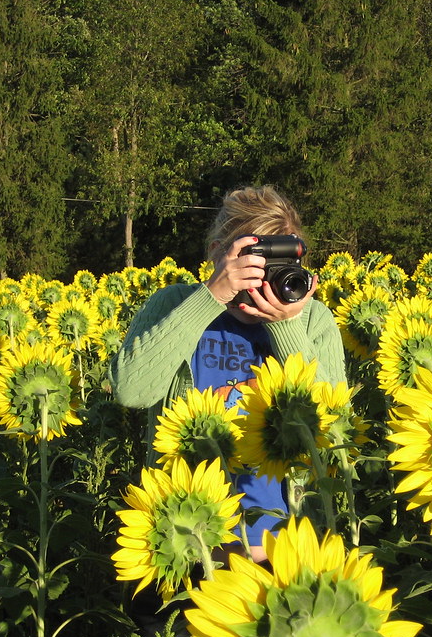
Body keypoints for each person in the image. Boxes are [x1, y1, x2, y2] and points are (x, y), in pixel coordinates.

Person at [110, 185, 346, 562]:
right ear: (218, 252)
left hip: (279, 548)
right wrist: (209, 298)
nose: (267, 275)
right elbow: (131, 390)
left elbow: (332, 429)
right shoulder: (175, 304)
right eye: (256, 261)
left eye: (282, 262)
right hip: (186, 543)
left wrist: (287, 327)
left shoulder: (313, 319)